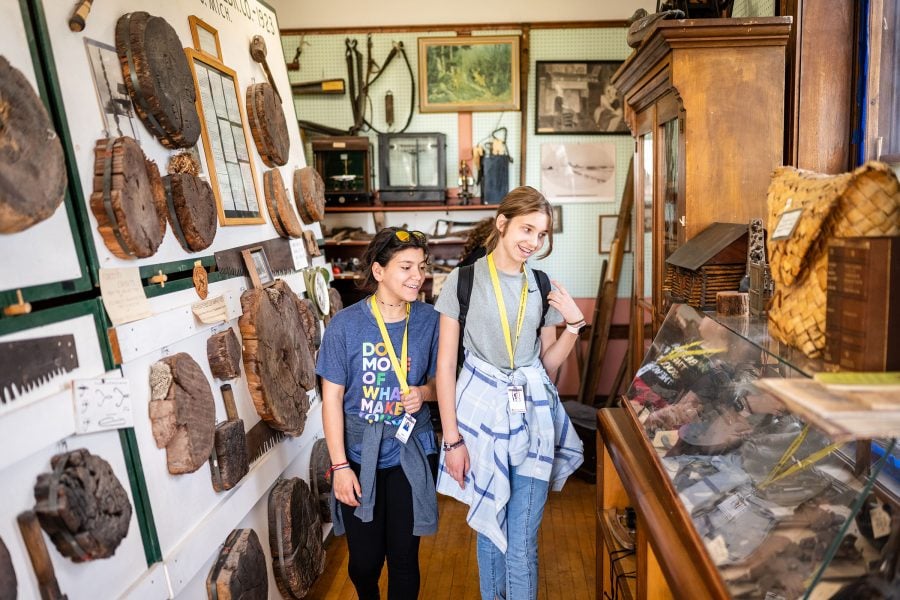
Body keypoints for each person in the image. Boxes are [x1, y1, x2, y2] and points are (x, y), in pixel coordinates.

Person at [433, 186, 585, 600]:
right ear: (502, 224)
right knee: (489, 531)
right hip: (480, 423)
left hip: (534, 423)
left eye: (541, 234)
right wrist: (452, 441)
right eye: (526, 229)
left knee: (520, 543)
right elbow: (445, 368)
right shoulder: (463, 281)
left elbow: (547, 366)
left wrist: (573, 326)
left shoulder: (540, 284)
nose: (533, 242)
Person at [316, 227, 440, 600]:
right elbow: (331, 399)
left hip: (410, 451)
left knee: (404, 559)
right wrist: (339, 466)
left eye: (421, 266)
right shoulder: (345, 325)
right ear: (378, 270)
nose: (417, 276)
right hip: (358, 455)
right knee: (364, 563)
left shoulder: (430, 320)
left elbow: (444, 384)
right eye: (406, 267)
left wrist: (424, 392)